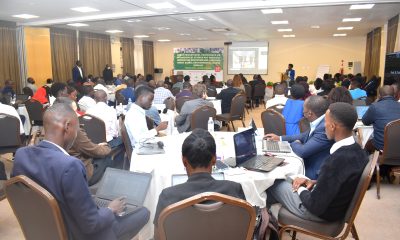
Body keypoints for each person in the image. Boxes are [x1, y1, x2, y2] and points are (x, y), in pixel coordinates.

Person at [11, 102, 150, 240]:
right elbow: (91, 224)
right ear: (67, 127)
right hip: (79, 234)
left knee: (96, 198)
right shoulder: (70, 166)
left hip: (45, 229)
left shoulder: (21, 155)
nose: (77, 133)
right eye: (77, 129)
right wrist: (110, 210)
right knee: (143, 212)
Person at [267, 102, 368, 222]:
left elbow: (313, 205)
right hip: (333, 206)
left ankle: (262, 224)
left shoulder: (335, 161)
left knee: (273, 183)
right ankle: (268, 220)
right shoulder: (359, 151)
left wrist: (301, 189)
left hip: (319, 213)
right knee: (289, 180)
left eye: (325, 122)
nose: (324, 126)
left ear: (332, 127)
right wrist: (313, 181)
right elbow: (339, 181)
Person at [153, 129, 246, 230]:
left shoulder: (168, 197)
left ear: (184, 161)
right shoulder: (234, 190)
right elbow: (245, 230)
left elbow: (159, 236)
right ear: (214, 160)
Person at [266, 96, 334, 179]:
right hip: (310, 162)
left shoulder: (324, 127)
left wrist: (295, 143)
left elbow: (302, 151)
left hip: (313, 172)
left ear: (309, 113)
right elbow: (303, 135)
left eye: (303, 111)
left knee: (277, 176)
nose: (302, 113)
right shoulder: (319, 120)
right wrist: (279, 138)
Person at [54, 97, 112, 186]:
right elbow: (94, 151)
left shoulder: (50, 127)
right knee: (106, 156)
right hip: (80, 174)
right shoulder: (73, 130)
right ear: (65, 113)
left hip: (60, 171)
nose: (77, 114)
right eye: (74, 111)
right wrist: (106, 147)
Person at [362, 85, 400, 151]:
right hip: (397, 146)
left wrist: (375, 102)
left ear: (379, 95)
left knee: (366, 144)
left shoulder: (375, 106)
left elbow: (365, 121)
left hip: (380, 146)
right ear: (394, 94)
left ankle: (370, 160)